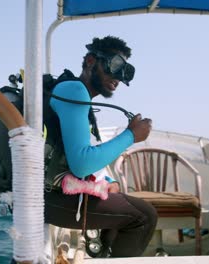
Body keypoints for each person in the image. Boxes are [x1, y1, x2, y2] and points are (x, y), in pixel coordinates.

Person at [43, 36, 157, 258]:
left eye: (125, 71)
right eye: (114, 66)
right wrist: (131, 135)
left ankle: (104, 255)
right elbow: (82, 164)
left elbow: (76, 154)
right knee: (144, 216)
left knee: (124, 205)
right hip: (44, 199)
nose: (118, 77)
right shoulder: (74, 91)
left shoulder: (76, 94)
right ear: (90, 61)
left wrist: (108, 181)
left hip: (48, 195)